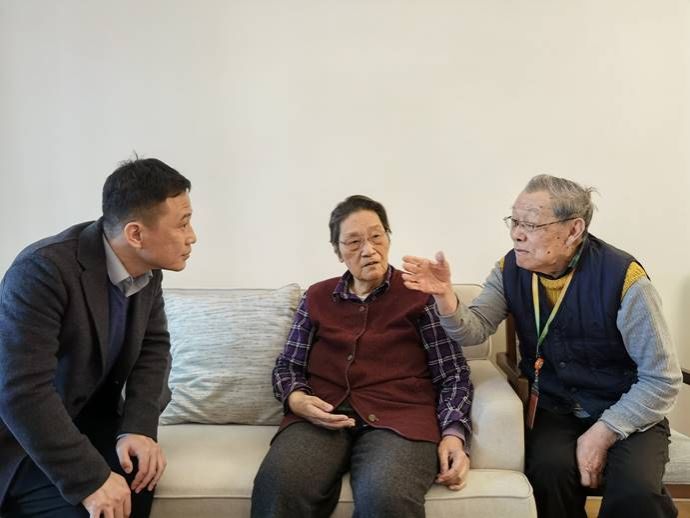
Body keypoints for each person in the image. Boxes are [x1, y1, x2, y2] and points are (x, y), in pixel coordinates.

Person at [402, 174, 682, 518]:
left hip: (626, 408)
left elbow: (662, 379)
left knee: (635, 492)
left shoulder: (625, 279)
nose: (516, 234)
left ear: (574, 230)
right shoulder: (510, 268)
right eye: (514, 221)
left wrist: (603, 432)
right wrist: (445, 297)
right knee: (547, 476)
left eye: (531, 224)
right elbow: (474, 331)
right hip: (557, 407)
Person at [251, 195, 473, 518]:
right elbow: (288, 366)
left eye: (376, 236)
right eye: (354, 242)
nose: (368, 250)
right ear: (338, 251)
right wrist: (297, 399)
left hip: (401, 420)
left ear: (388, 238)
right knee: (279, 485)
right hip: (322, 416)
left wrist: (454, 433)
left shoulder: (421, 295)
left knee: (386, 496)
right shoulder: (316, 297)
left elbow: (453, 374)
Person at [0, 157, 197, 518]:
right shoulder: (42, 270)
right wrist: (89, 479)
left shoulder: (148, 271)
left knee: (140, 477)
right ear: (136, 234)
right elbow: (21, 391)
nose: (192, 236)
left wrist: (138, 428)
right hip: (26, 439)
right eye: (183, 223)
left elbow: (154, 348)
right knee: (95, 508)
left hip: (92, 420)